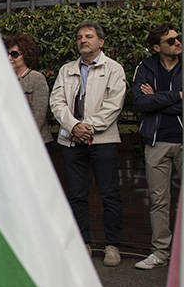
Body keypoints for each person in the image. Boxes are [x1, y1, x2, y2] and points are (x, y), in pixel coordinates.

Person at [49, 22, 127, 266]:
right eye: (80, 37)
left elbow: (114, 104)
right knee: (76, 194)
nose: (83, 40)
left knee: (109, 193)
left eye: (89, 36)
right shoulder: (67, 69)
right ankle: (82, 242)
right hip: (72, 141)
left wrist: (88, 127)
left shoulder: (113, 69)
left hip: (102, 140)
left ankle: (112, 245)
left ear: (100, 42)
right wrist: (73, 126)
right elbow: (57, 102)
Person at [131, 23, 183, 271]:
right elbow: (141, 102)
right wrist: (177, 96)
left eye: (178, 38)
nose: (177, 43)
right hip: (156, 141)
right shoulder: (146, 67)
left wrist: (158, 98)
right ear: (156, 47)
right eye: (170, 41)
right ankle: (161, 252)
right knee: (159, 200)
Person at [4, 34, 52, 143]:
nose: (9, 58)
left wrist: (23, 137)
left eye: (14, 54)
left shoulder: (37, 78)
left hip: (35, 142)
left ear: (25, 55)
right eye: (7, 54)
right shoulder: (4, 79)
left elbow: (39, 115)